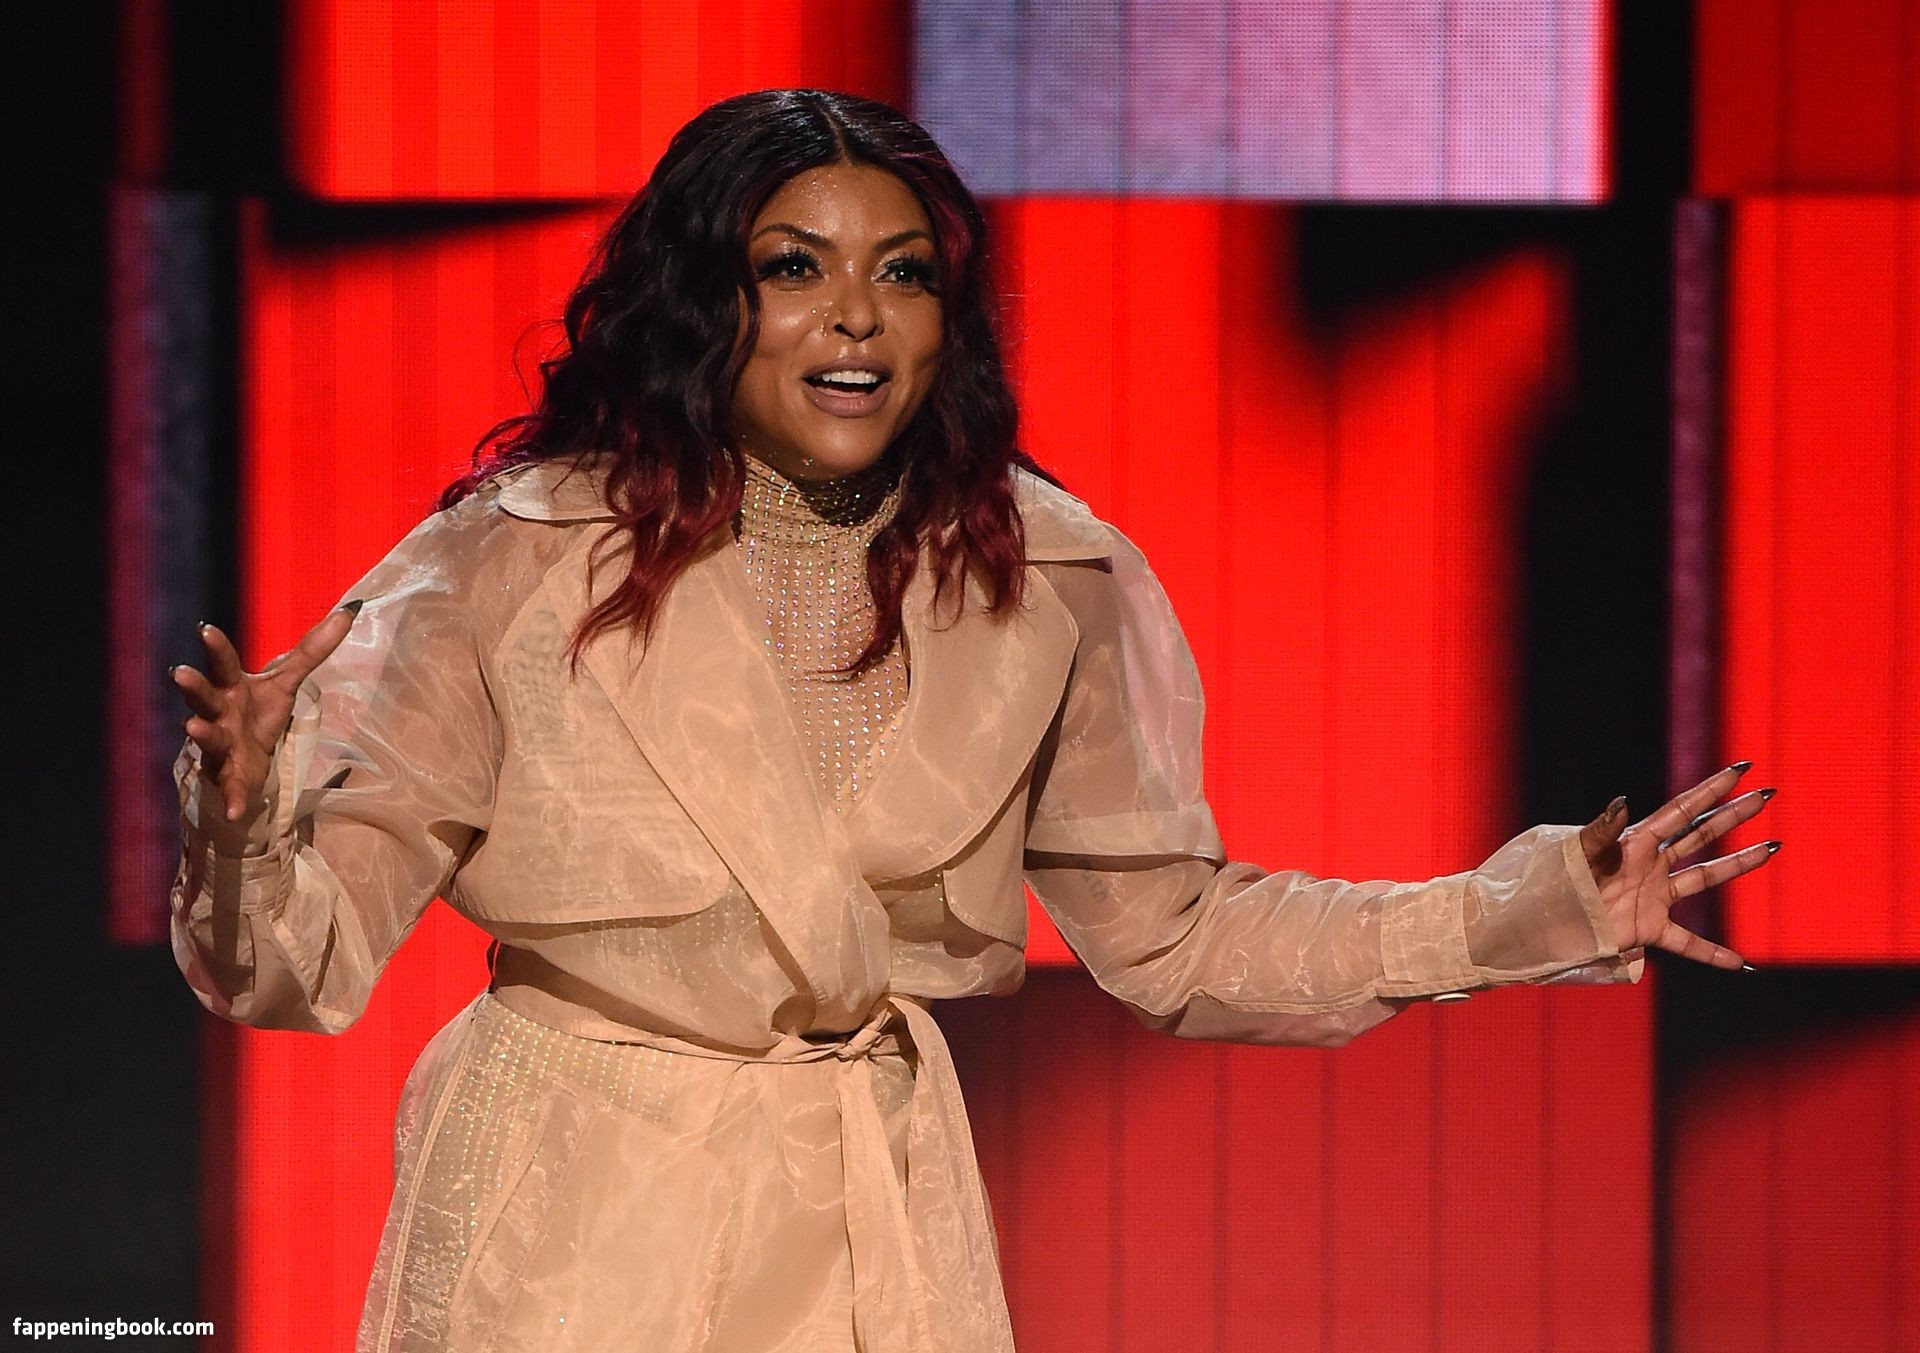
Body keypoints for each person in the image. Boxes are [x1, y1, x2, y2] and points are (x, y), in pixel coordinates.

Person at [165, 88, 1777, 1353]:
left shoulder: (1040, 577)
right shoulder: (516, 561)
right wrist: (238, 832)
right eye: (793, 268)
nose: (855, 319)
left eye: (904, 273)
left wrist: (1521, 909)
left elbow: (1183, 941)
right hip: (572, 1214)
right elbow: (294, 966)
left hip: (871, 1211)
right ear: (700, 301)